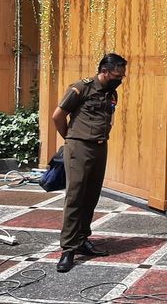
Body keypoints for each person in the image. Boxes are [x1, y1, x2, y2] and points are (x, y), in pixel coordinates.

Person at [51, 53, 127, 273]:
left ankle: (82, 239)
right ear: (104, 71)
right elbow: (58, 115)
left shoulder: (111, 93)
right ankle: (68, 249)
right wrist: (70, 139)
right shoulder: (81, 88)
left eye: (122, 75)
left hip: (100, 147)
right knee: (75, 197)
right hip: (79, 147)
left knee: (91, 195)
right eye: (117, 74)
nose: (120, 78)